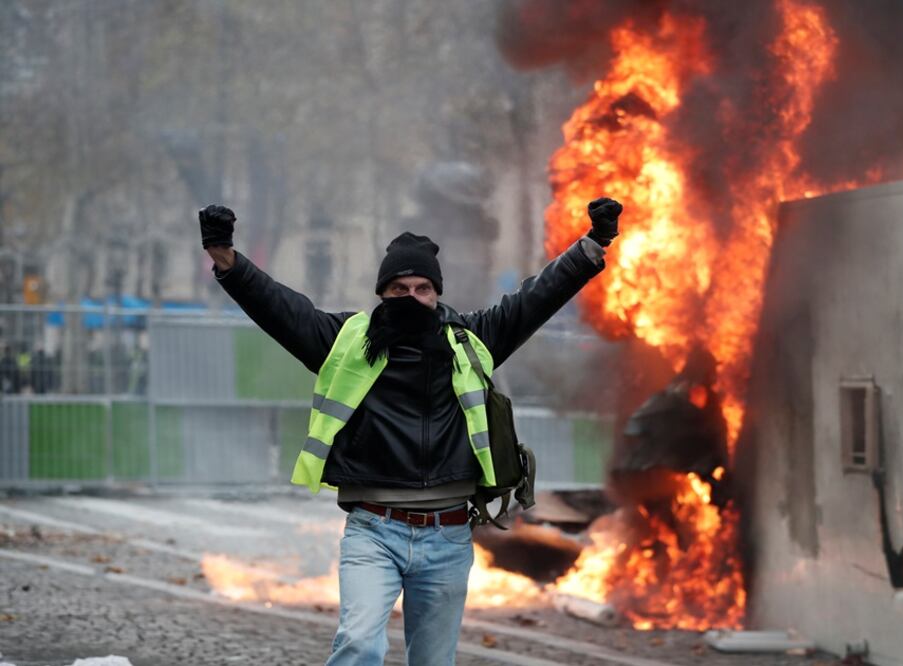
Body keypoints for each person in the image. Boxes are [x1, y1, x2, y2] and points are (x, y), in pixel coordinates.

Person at [198, 197, 622, 666]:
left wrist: (591, 245)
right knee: (359, 644)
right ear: (382, 292)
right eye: (399, 287)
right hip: (373, 531)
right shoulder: (345, 343)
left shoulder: (470, 340)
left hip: (449, 535)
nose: (411, 297)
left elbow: (536, 299)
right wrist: (225, 257)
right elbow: (278, 306)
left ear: (436, 293)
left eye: (422, 288)